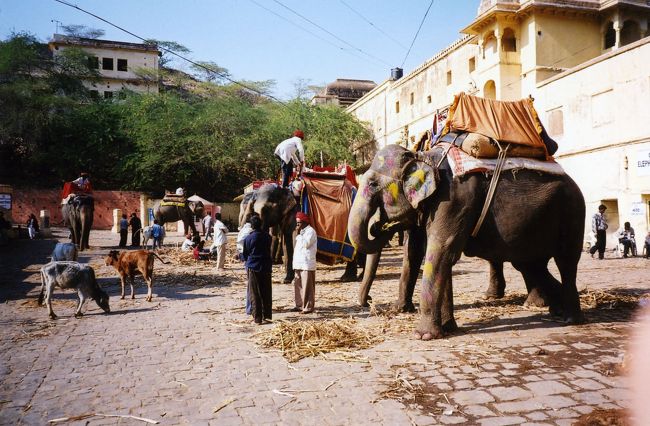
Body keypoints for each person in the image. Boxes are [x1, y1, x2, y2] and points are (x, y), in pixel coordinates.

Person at [242, 215, 272, 324]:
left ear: (252, 226)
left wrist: (244, 258)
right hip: (266, 266)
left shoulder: (249, 238)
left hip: (253, 266)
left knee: (254, 293)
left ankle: (257, 317)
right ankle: (267, 315)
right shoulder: (268, 236)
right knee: (266, 291)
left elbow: (245, 254)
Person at [292, 211, 317, 314]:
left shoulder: (311, 231)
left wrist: (298, 235)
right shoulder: (301, 231)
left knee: (307, 286)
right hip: (298, 263)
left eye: (299, 222)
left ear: (305, 222)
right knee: (297, 285)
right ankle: (299, 305)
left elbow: (306, 244)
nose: (297, 225)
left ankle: (308, 306)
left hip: (307, 264)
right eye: (297, 222)